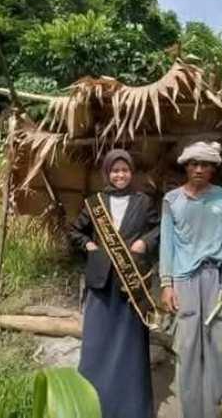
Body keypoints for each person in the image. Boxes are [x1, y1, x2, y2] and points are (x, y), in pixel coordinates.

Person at [159, 141, 222, 418]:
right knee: (186, 348)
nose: (199, 169)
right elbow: (167, 245)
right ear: (186, 167)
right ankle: (191, 413)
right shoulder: (172, 200)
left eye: (205, 165)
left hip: (217, 281)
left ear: (212, 169)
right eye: (194, 164)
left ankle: (213, 412)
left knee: (215, 346)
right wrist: (167, 284)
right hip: (184, 281)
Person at [68, 149, 160, 418]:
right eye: (115, 170)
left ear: (132, 173)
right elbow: (75, 230)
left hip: (131, 283)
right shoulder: (94, 203)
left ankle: (131, 405)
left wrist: (146, 242)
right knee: (98, 340)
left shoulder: (143, 202)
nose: (120, 175)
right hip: (101, 281)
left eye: (125, 170)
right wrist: (89, 244)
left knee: (131, 342)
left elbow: (158, 228)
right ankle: (91, 401)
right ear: (107, 173)